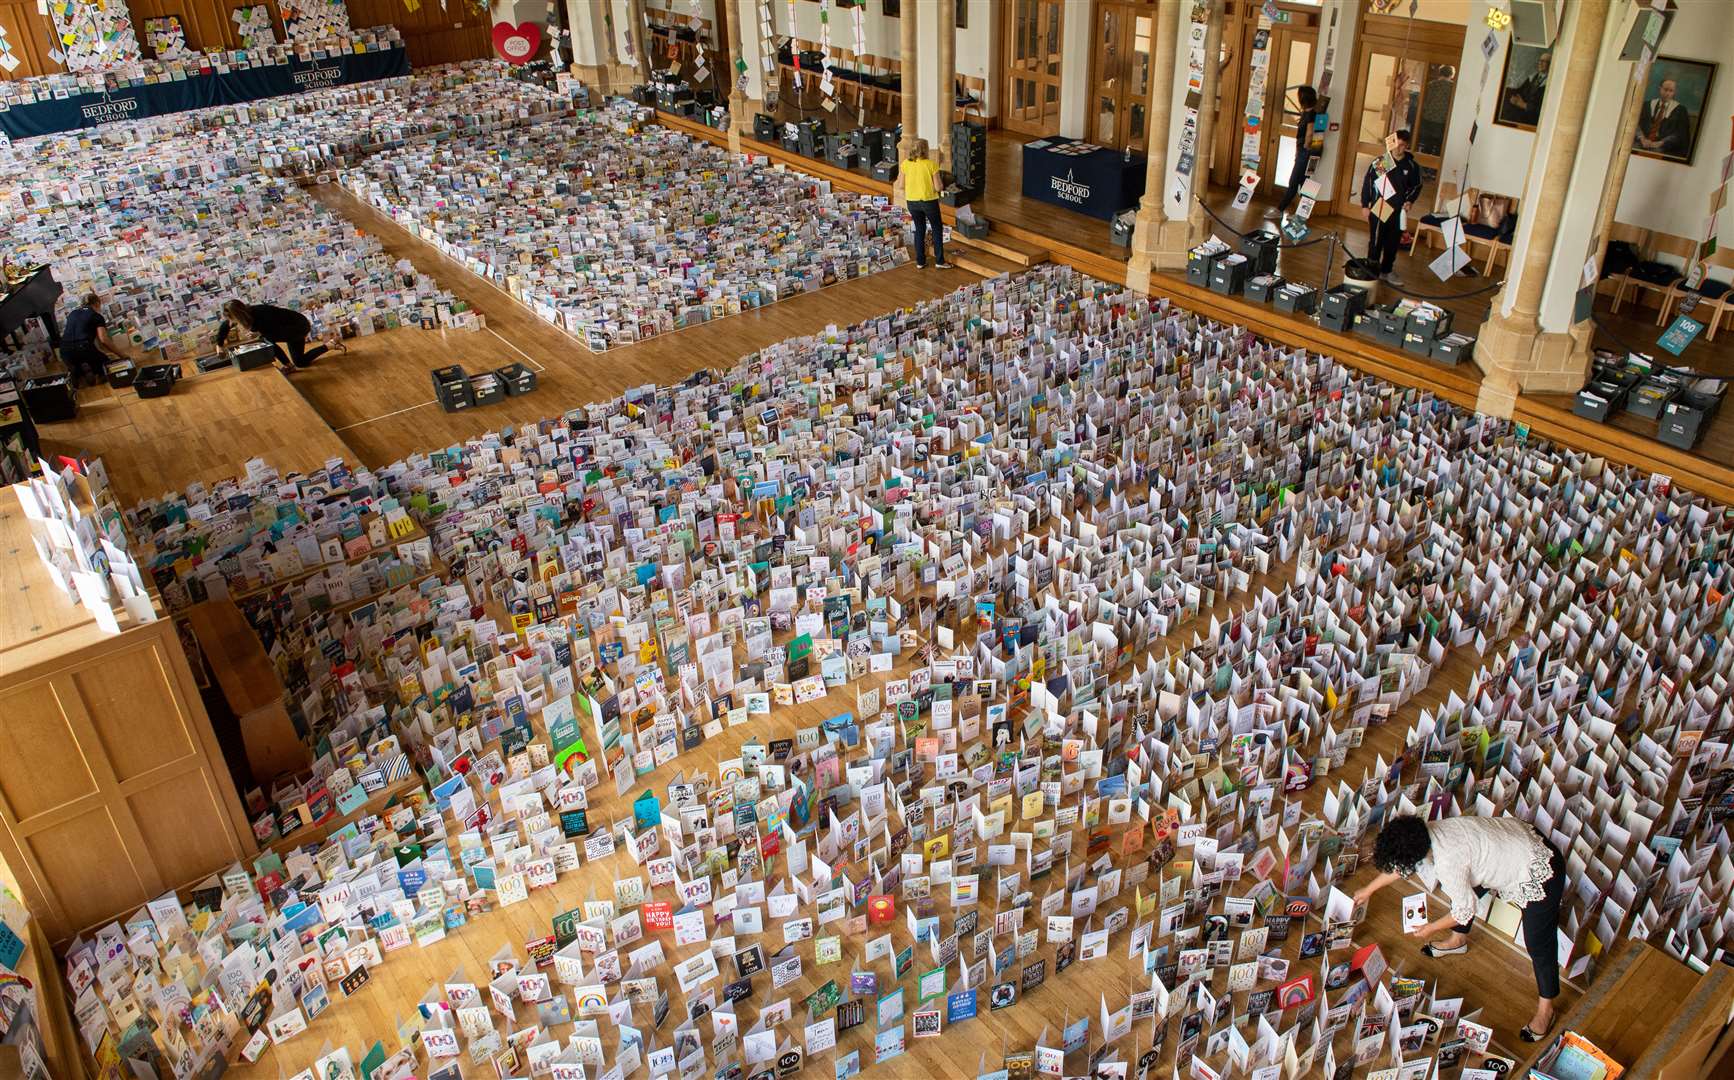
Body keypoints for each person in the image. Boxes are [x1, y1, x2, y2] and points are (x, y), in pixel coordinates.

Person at [1356, 813, 1566, 1043]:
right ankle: (1458, 942)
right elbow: (1402, 864)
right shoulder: (1427, 832)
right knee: (1464, 891)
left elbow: (1464, 910)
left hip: (1540, 868)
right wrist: (1368, 890)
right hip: (1513, 842)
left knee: (1538, 942)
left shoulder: (1448, 863)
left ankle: (1546, 1010)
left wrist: (1431, 928)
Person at [1359, 129, 1423, 287]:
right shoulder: (1384, 162)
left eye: (1402, 146)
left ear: (1407, 146)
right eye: (1396, 144)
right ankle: (1371, 271)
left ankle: (1386, 271)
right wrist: (1365, 205)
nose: (1398, 149)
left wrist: (1409, 201)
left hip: (1399, 210)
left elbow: (1416, 186)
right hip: (1381, 206)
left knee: (1392, 243)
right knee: (1376, 241)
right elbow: (1368, 183)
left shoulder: (1411, 166)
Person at [215, 299, 343, 373]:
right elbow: (225, 325)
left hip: (297, 328)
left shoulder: (260, 315)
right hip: (290, 326)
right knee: (301, 362)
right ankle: (331, 344)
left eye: (232, 319)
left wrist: (257, 333)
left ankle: (288, 365)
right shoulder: (247, 313)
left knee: (266, 340)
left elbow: (271, 337)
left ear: (238, 316)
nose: (231, 323)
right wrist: (219, 345)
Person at [900, 139, 951, 270]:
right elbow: (939, 187)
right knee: (936, 228)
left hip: (912, 201)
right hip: (929, 201)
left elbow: (901, 185)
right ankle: (939, 260)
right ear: (925, 150)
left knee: (919, 229)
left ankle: (920, 261)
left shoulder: (905, 164)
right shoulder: (931, 165)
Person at [60, 293, 127, 386]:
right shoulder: (97, 316)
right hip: (83, 348)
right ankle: (97, 378)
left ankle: (79, 374)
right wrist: (122, 355)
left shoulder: (72, 313)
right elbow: (103, 340)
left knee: (79, 363)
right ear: (97, 303)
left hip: (64, 351)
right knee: (106, 364)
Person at [1275, 85, 1320, 217]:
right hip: (1309, 152)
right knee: (1305, 182)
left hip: (1306, 152)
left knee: (1294, 181)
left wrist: (1305, 148)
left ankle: (1280, 210)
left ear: (1303, 98)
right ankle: (1302, 214)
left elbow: (1310, 133)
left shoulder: (1311, 114)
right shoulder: (1309, 113)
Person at [1636, 78, 1692, 159]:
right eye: (1665, 90)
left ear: (1674, 92)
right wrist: (1642, 138)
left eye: (1671, 91)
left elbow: (1680, 134)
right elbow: (1635, 124)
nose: (1667, 93)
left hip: (1665, 148)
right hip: (1642, 143)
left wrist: (1661, 143)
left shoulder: (1680, 110)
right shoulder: (1647, 105)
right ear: (1660, 89)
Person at [1502, 51, 1549, 127]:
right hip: (1521, 107)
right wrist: (1507, 91)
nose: (1540, 63)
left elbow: (1542, 109)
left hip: (1531, 115)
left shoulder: (1548, 84)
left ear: (1550, 64)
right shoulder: (1533, 77)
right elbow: (1520, 90)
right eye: (1540, 61)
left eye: (1544, 61)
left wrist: (1523, 105)